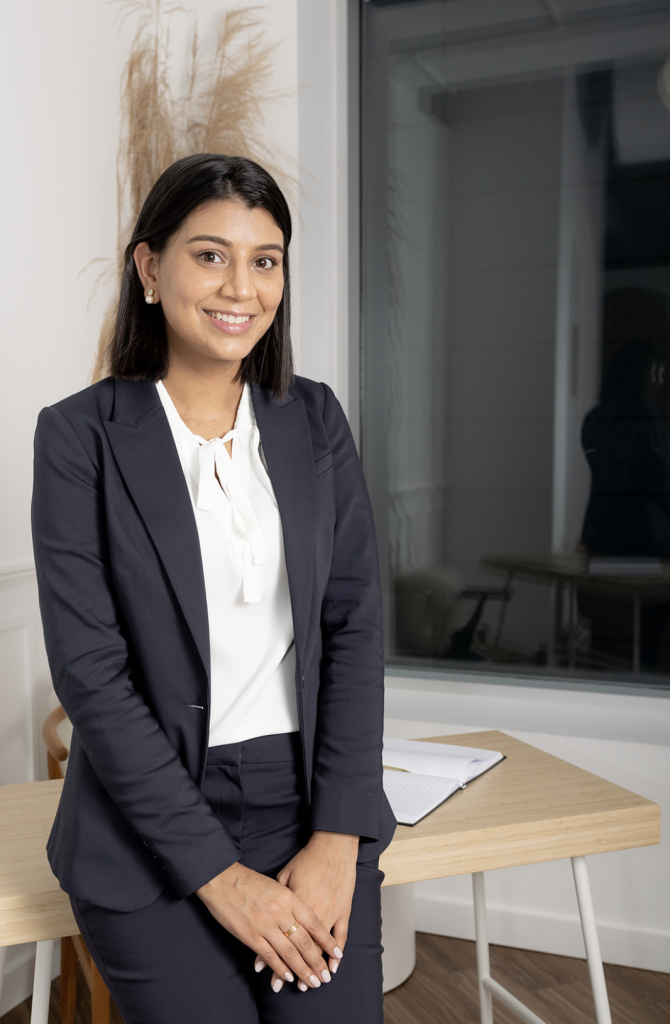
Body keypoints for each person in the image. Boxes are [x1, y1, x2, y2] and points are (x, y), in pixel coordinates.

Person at [31, 153, 396, 1024]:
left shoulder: (314, 419)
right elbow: (93, 678)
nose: (242, 287)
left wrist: (337, 838)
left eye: (265, 259)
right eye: (210, 254)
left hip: (308, 806)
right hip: (148, 827)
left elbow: (352, 627)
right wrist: (219, 878)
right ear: (150, 269)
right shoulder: (79, 437)